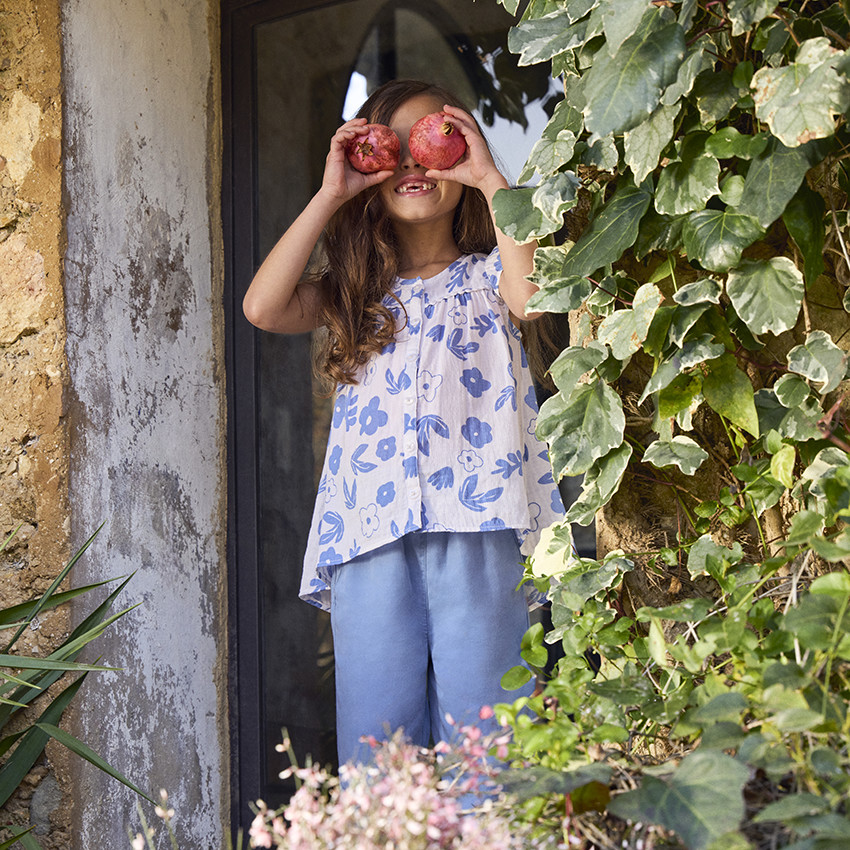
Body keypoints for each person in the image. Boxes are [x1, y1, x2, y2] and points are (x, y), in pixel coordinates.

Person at [243, 79, 565, 766]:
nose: (420, 169)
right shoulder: (356, 295)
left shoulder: (488, 276)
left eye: (436, 145)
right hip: (369, 534)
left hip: (477, 525)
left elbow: (532, 299)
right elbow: (263, 308)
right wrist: (333, 192)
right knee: (377, 748)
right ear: (374, 169)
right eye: (402, 151)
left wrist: (487, 176)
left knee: (491, 741)